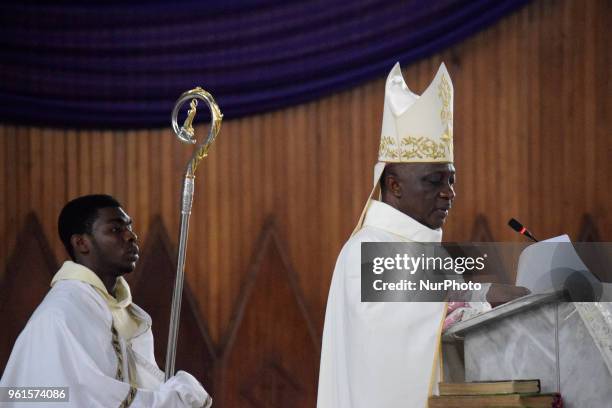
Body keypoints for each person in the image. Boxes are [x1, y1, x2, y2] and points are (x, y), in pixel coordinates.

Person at [317, 63, 527, 408]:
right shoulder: (365, 250)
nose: (449, 193)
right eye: (434, 181)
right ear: (394, 184)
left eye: (451, 180)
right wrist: (491, 294)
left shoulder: (427, 251)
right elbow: (414, 322)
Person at [0, 194, 212, 407]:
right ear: (82, 243)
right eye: (115, 229)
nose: (131, 236)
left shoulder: (121, 310)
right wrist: (174, 399)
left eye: (129, 227)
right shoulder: (61, 313)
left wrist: (171, 393)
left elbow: (131, 385)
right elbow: (72, 396)